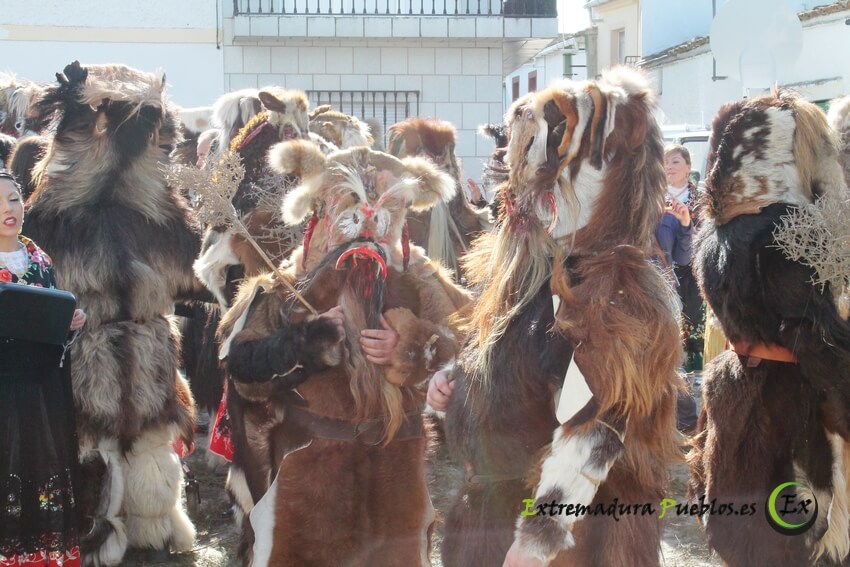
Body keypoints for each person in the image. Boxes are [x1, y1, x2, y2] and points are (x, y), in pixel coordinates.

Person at [0, 170, 86, 567]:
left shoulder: (40, 259)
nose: (8, 209)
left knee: (43, 464)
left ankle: (43, 557)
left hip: (43, 389)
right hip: (3, 390)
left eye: (14, 198)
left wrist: (67, 322)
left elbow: (53, 329)